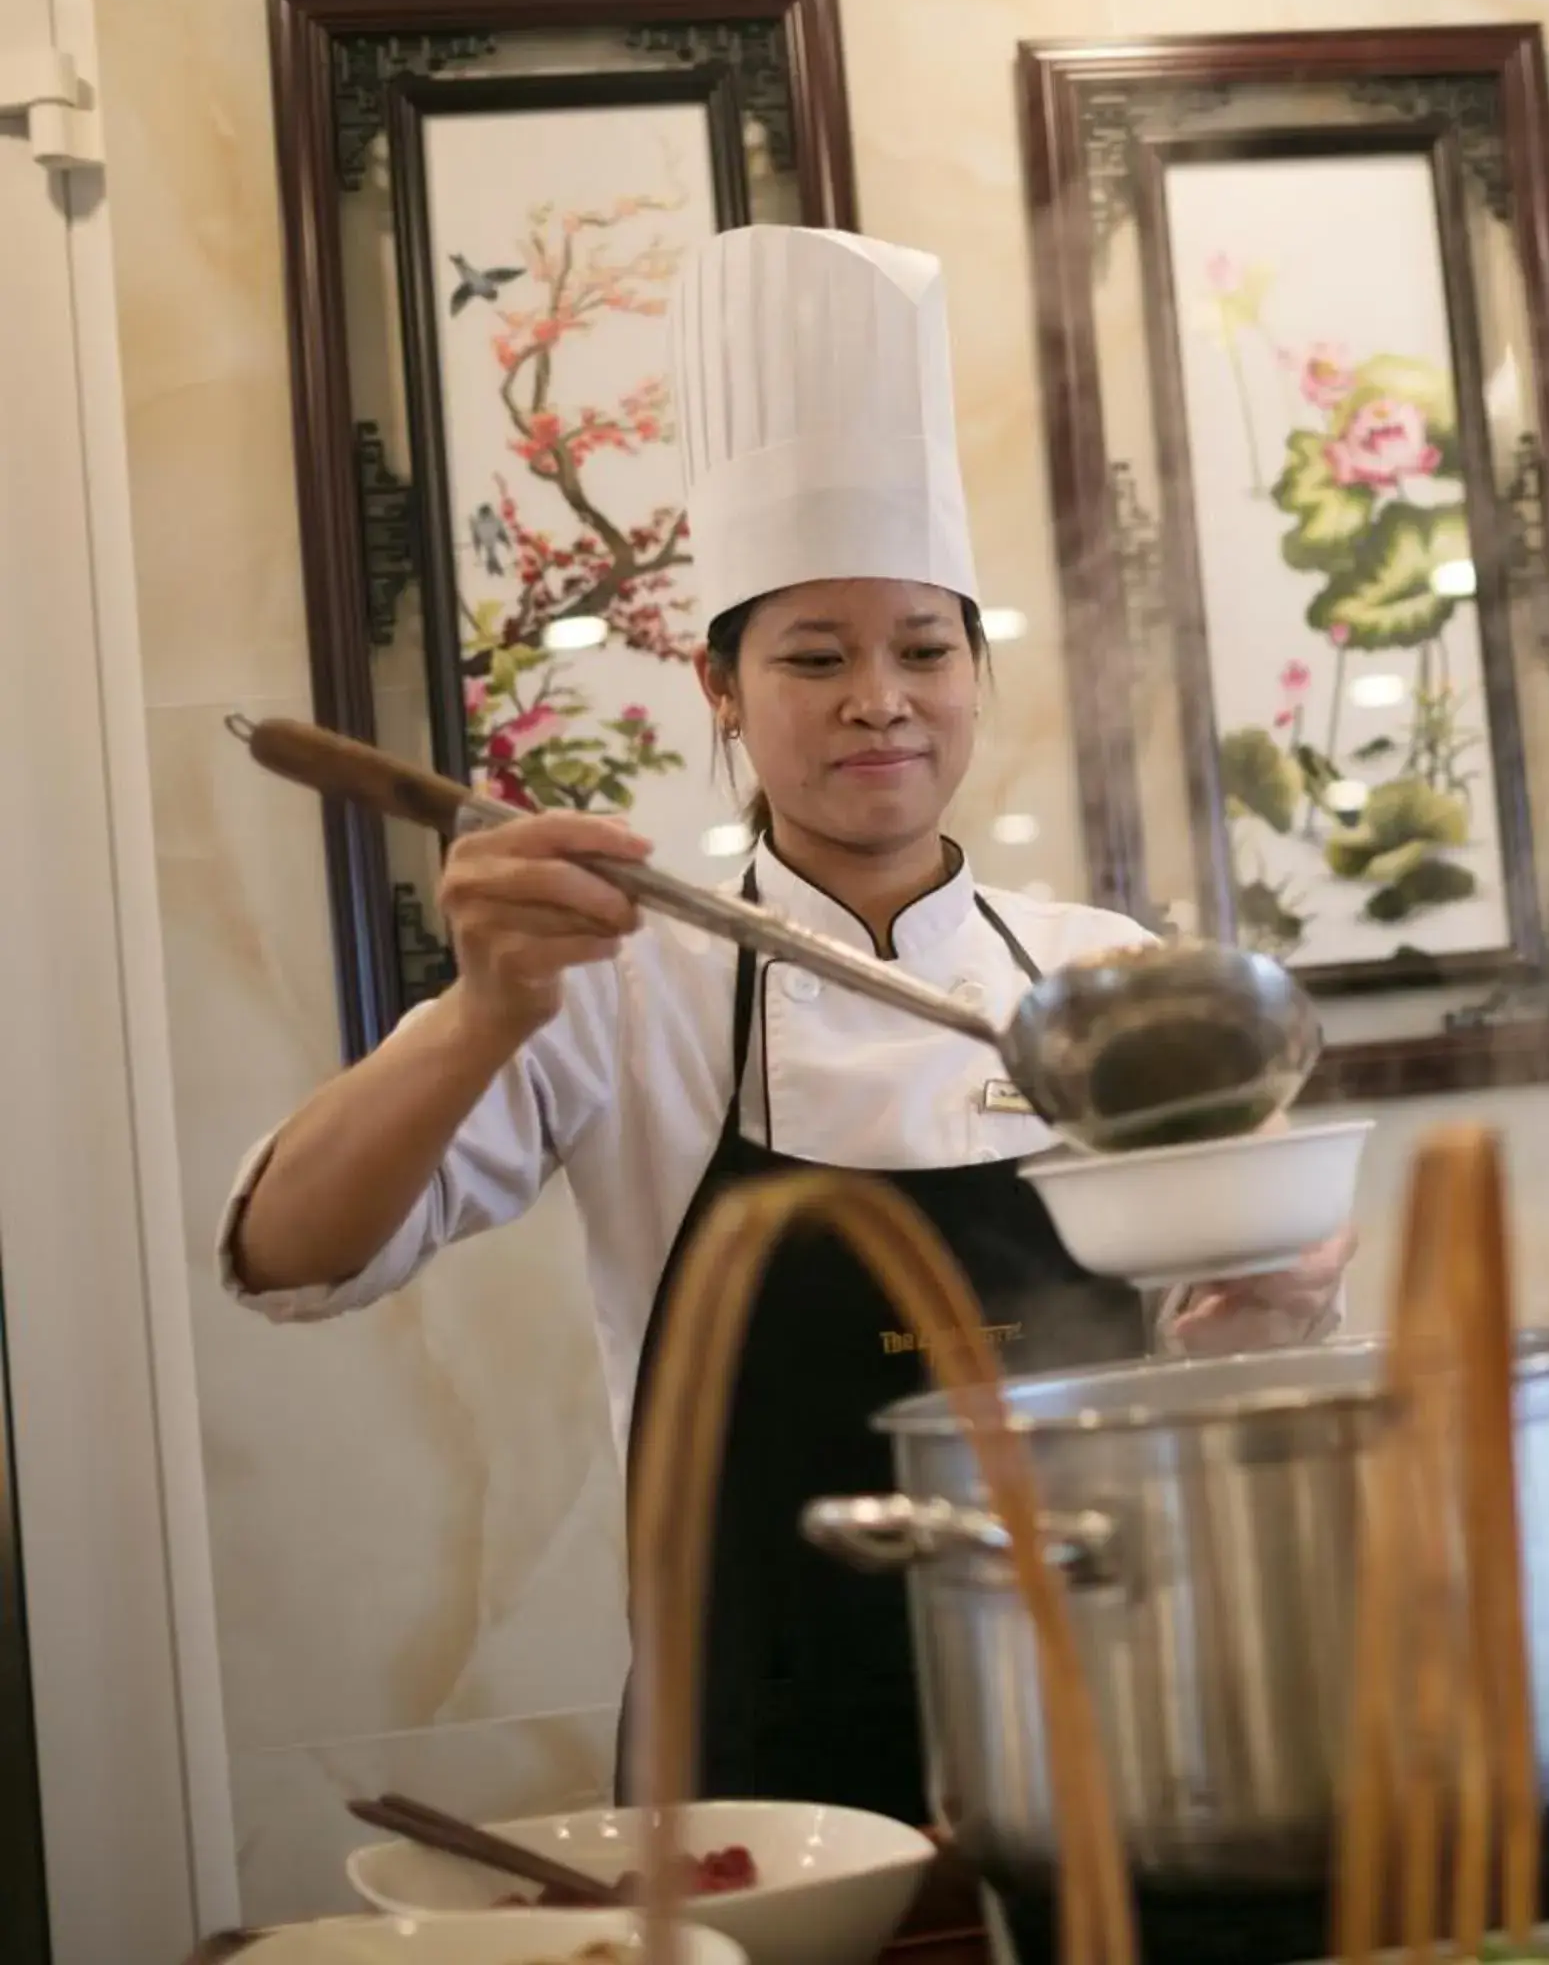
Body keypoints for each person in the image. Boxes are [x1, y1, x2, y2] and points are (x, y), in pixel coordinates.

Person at [221, 226, 1349, 1823]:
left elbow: (1208, 1340)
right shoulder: (610, 978)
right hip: (756, 1750)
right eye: (814, 657)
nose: (879, 698)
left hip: (1120, 1712)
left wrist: (1270, 1292)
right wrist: (482, 1012)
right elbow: (287, 1257)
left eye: (923, 649)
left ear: (976, 671)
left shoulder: (1103, 980)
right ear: (722, 689)